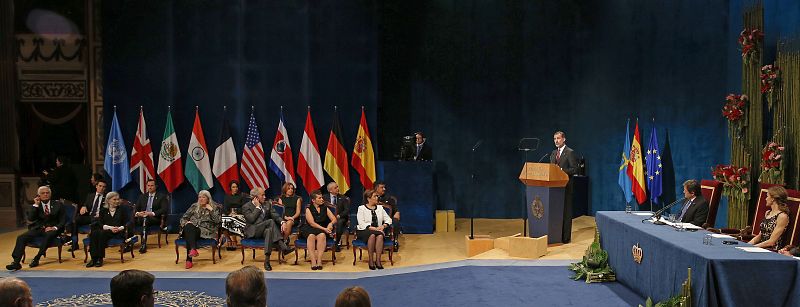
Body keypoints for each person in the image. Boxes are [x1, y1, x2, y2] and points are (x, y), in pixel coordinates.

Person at [7, 186, 66, 270]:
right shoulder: (36, 206)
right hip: (39, 228)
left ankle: (37, 258)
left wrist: (54, 227)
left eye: (47, 193)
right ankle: (16, 262)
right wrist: (36, 205)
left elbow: (63, 221)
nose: (45, 194)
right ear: (38, 195)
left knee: (48, 235)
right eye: (43, 193)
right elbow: (31, 218)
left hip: (53, 229)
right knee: (21, 237)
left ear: (50, 194)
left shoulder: (58, 205)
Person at [242, 187, 295, 271]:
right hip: (253, 231)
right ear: (255, 197)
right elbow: (251, 219)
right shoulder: (246, 206)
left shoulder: (267, 204)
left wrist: (282, 222)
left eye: (264, 195)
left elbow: (275, 215)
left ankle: (267, 261)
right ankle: (282, 245)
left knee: (269, 231)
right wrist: (258, 208)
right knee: (270, 221)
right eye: (262, 195)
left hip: (264, 230)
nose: (265, 197)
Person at [180, 190, 222, 269]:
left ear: (208, 199)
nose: (201, 199)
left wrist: (211, 210)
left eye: (203, 197)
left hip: (205, 231)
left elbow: (218, 221)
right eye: (199, 197)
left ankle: (189, 260)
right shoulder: (194, 206)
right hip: (192, 229)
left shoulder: (214, 207)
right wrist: (186, 223)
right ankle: (193, 249)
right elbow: (184, 218)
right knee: (189, 227)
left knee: (189, 234)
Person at [549, 131, 579, 243]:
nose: (556, 141)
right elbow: (551, 169)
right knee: (556, 213)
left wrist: (561, 170)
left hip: (566, 187)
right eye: (554, 139)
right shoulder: (553, 153)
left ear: (564, 139)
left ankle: (565, 238)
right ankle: (555, 235)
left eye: (558, 138)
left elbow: (574, 169)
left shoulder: (569, 152)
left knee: (566, 213)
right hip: (554, 188)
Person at [87, 191, 130, 268]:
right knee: (94, 233)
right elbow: (100, 223)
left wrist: (120, 228)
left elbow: (128, 222)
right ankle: (93, 258)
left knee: (100, 233)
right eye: (114, 199)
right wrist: (110, 228)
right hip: (107, 230)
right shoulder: (103, 210)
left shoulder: (122, 209)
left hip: (118, 232)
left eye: (118, 199)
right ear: (108, 200)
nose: (117, 201)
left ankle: (99, 258)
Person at [300, 190, 337, 270]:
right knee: (311, 236)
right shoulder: (308, 209)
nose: (322, 199)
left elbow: (334, 219)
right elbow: (312, 223)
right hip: (310, 228)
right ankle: (313, 261)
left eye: (322, 197)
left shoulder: (325, 207)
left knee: (322, 235)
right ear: (313, 200)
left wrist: (331, 224)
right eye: (319, 198)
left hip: (322, 228)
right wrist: (325, 229)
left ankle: (319, 260)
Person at [357, 189, 392, 270]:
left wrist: (383, 226)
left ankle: (378, 261)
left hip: (378, 231)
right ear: (368, 199)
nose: (377, 198)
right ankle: (371, 260)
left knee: (379, 236)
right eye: (375, 196)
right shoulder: (361, 208)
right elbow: (361, 223)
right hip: (364, 230)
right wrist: (374, 228)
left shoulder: (380, 208)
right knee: (372, 235)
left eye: (377, 196)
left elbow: (389, 219)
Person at [748, 186, 791, 250]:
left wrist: (753, 248)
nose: (765, 199)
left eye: (767, 196)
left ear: (773, 199)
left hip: (771, 250)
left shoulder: (782, 216)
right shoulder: (768, 213)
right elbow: (760, 236)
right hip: (760, 247)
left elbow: (771, 242)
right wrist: (746, 245)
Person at [71, 179, 108, 252]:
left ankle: (92, 245)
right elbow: (86, 204)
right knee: (75, 220)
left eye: (104, 187)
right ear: (96, 186)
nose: (101, 188)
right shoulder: (90, 195)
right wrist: (84, 206)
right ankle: (74, 244)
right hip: (90, 216)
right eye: (100, 186)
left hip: (99, 218)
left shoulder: (107, 197)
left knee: (96, 223)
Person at [134, 179, 168, 254]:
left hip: (155, 218)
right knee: (131, 221)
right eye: (148, 185)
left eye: (152, 185)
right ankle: (128, 243)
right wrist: (138, 213)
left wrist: (151, 213)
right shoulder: (142, 196)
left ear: (155, 186)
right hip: (142, 217)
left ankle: (143, 244)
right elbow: (136, 208)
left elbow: (164, 209)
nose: (150, 187)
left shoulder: (161, 196)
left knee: (145, 218)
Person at [221, 180, 249, 250]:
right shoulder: (227, 196)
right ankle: (228, 239)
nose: (235, 189)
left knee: (233, 220)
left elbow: (244, 207)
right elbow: (224, 207)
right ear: (230, 188)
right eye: (233, 187)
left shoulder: (242, 196)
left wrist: (236, 212)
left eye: (236, 187)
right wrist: (229, 213)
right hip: (229, 214)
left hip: (240, 214)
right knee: (223, 221)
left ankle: (234, 240)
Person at [324, 182, 351, 251]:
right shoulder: (324, 198)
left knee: (339, 223)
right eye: (335, 188)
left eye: (337, 187)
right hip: (328, 218)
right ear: (330, 190)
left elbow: (346, 210)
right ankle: (325, 243)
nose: (338, 189)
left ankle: (336, 243)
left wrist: (339, 215)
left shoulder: (343, 198)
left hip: (341, 218)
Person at [374, 180, 400, 251]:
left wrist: (397, 213)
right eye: (382, 187)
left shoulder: (389, 198)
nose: (384, 189)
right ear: (376, 188)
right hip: (373, 219)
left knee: (395, 221)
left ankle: (394, 241)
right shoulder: (370, 197)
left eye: (384, 187)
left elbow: (395, 210)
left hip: (387, 218)